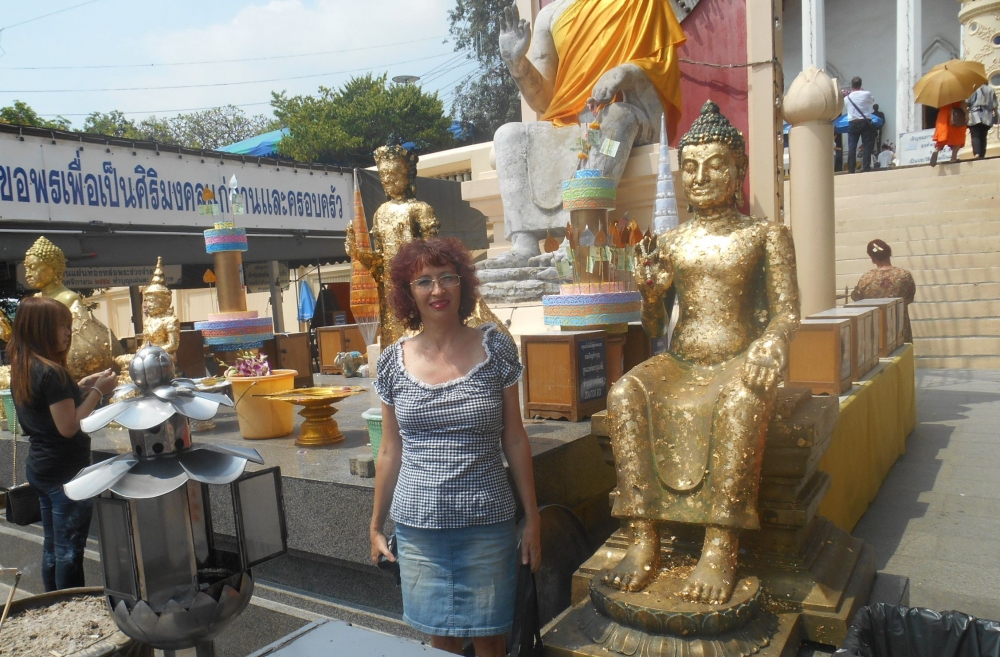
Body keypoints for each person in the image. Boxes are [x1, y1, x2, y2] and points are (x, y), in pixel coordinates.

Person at [369, 237, 541, 657]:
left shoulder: (495, 347)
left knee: (491, 639)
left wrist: (533, 518)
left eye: (447, 277)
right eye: (424, 281)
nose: (437, 290)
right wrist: (375, 526)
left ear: (463, 283)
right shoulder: (392, 361)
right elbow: (390, 451)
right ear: (409, 293)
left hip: (486, 522)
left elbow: (515, 437)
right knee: (440, 641)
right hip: (419, 529)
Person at [6, 296, 117, 591]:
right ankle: (70, 605)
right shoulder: (52, 372)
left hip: (41, 467)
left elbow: (48, 409)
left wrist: (80, 387)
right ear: (40, 329)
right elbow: (68, 426)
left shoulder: (24, 365)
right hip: (65, 473)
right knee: (69, 552)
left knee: (53, 547)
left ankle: (53, 603)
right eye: (61, 326)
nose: (68, 333)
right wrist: (99, 391)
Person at [851, 239, 916, 343]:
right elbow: (909, 297)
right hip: (900, 328)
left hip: (875, 331)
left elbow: (858, 300)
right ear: (889, 253)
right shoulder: (904, 275)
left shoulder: (866, 278)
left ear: (872, 258)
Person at [845, 77, 877, 173]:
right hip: (865, 121)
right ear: (861, 84)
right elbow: (872, 100)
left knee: (852, 147)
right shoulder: (866, 94)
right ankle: (866, 167)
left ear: (852, 85)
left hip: (853, 122)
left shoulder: (847, 98)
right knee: (867, 145)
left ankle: (851, 169)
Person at [930, 101, 968, 166]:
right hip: (955, 116)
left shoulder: (942, 97)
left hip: (943, 116)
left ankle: (936, 150)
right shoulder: (957, 96)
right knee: (958, 137)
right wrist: (966, 113)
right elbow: (962, 104)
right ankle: (953, 158)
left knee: (943, 136)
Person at [967, 82, 999, 159]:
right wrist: (996, 115)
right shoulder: (991, 90)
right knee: (983, 136)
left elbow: (968, 102)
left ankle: (977, 153)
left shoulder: (973, 89)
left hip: (975, 115)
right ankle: (982, 154)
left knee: (975, 135)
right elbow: (995, 105)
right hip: (987, 116)